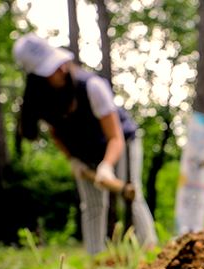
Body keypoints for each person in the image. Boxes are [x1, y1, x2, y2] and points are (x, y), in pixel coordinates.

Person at [13, 33, 157, 255]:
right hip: (85, 152)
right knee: (92, 206)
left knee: (131, 196)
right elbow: (57, 133)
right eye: (50, 68)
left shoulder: (92, 86)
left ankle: (150, 251)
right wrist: (73, 159)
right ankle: (95, 258)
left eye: (58, 61)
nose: (61, 68)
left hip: (121, 143)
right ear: (37, 77)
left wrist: (107, 166)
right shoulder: (41, 100)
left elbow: (115, 137)